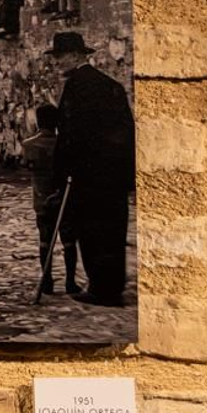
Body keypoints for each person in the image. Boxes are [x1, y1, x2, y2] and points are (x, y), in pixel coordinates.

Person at [49, 32, 135, 307]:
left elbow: (72, 135)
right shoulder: (109, 85)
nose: (57, 62)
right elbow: (126, 131)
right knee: (113, 229)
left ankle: (101, 288)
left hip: (88, 174)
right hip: (113, 173)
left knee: (92, 230)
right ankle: (112, 285)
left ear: (76, 56)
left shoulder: (78, 87)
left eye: (60, 57)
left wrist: (63, 172)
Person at [23, 101, 79, 296]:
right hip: (64, 198)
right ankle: (70, 281)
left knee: (45, 240)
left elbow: (28, 166)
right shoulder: (65, 144)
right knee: (69, 241)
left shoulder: (28, 145)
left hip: (41, 199)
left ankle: (47, 280)